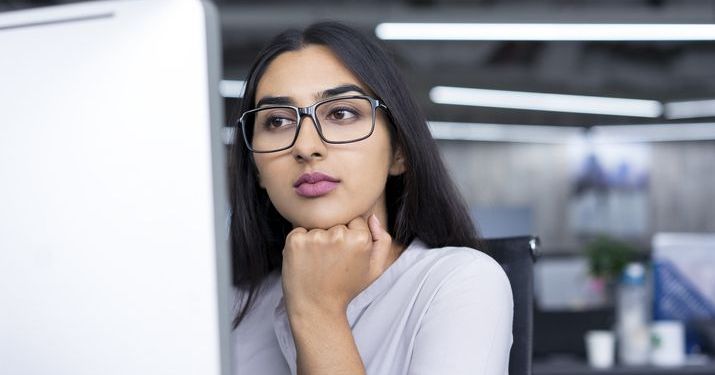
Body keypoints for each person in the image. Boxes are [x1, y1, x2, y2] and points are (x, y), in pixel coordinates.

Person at [228, 21, 513, 375]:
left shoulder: (460, 282)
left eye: (341, 113)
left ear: (399, 152)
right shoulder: (232, 308)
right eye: (277, 121)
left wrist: (317, 311)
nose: (306, 146)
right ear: (256, 167)